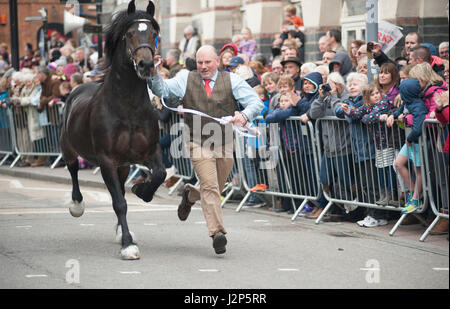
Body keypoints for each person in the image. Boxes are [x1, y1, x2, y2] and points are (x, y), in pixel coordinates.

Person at [148, 45, 264, 255]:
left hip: (225, 141)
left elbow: (256, 103)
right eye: (200, 62)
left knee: (216, 188)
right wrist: (154, 71)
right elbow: (162, 90)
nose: (203, 67)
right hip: (197, 141)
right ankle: (217, 233)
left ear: (217, 61)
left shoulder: (232, 80)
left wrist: (244, 116)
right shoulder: (186, 78)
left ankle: (191, 196)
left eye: (208, 62)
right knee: (210, 186)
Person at [307, 72, 353, 218]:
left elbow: (338, 112)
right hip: (328, 148)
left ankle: (352, 210)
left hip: (343, 147)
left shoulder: (346, 97)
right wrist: (321, 97)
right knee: (325, 179)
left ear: (338, 85)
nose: (327, 87)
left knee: (346, 182)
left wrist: (333, 96)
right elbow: (313, 114)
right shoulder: (326, 98)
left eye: (330, 84)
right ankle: (337, 206)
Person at [387, 79, 428, 214]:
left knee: (419, 170)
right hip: (410, 141)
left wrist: (409, 139)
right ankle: (414, 193)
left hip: (416, 141)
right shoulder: (407, 102)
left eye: (402, 90)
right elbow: (399, 110)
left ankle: (416, 199)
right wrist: (392, 116)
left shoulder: (417, 106)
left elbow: (418, 128)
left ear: (407, 92)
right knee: (398, 163)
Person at [431, 90, 449, 235]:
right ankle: (445, 216)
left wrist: (445, 106)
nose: (446, 74)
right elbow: (443, 120)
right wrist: (439, 108)